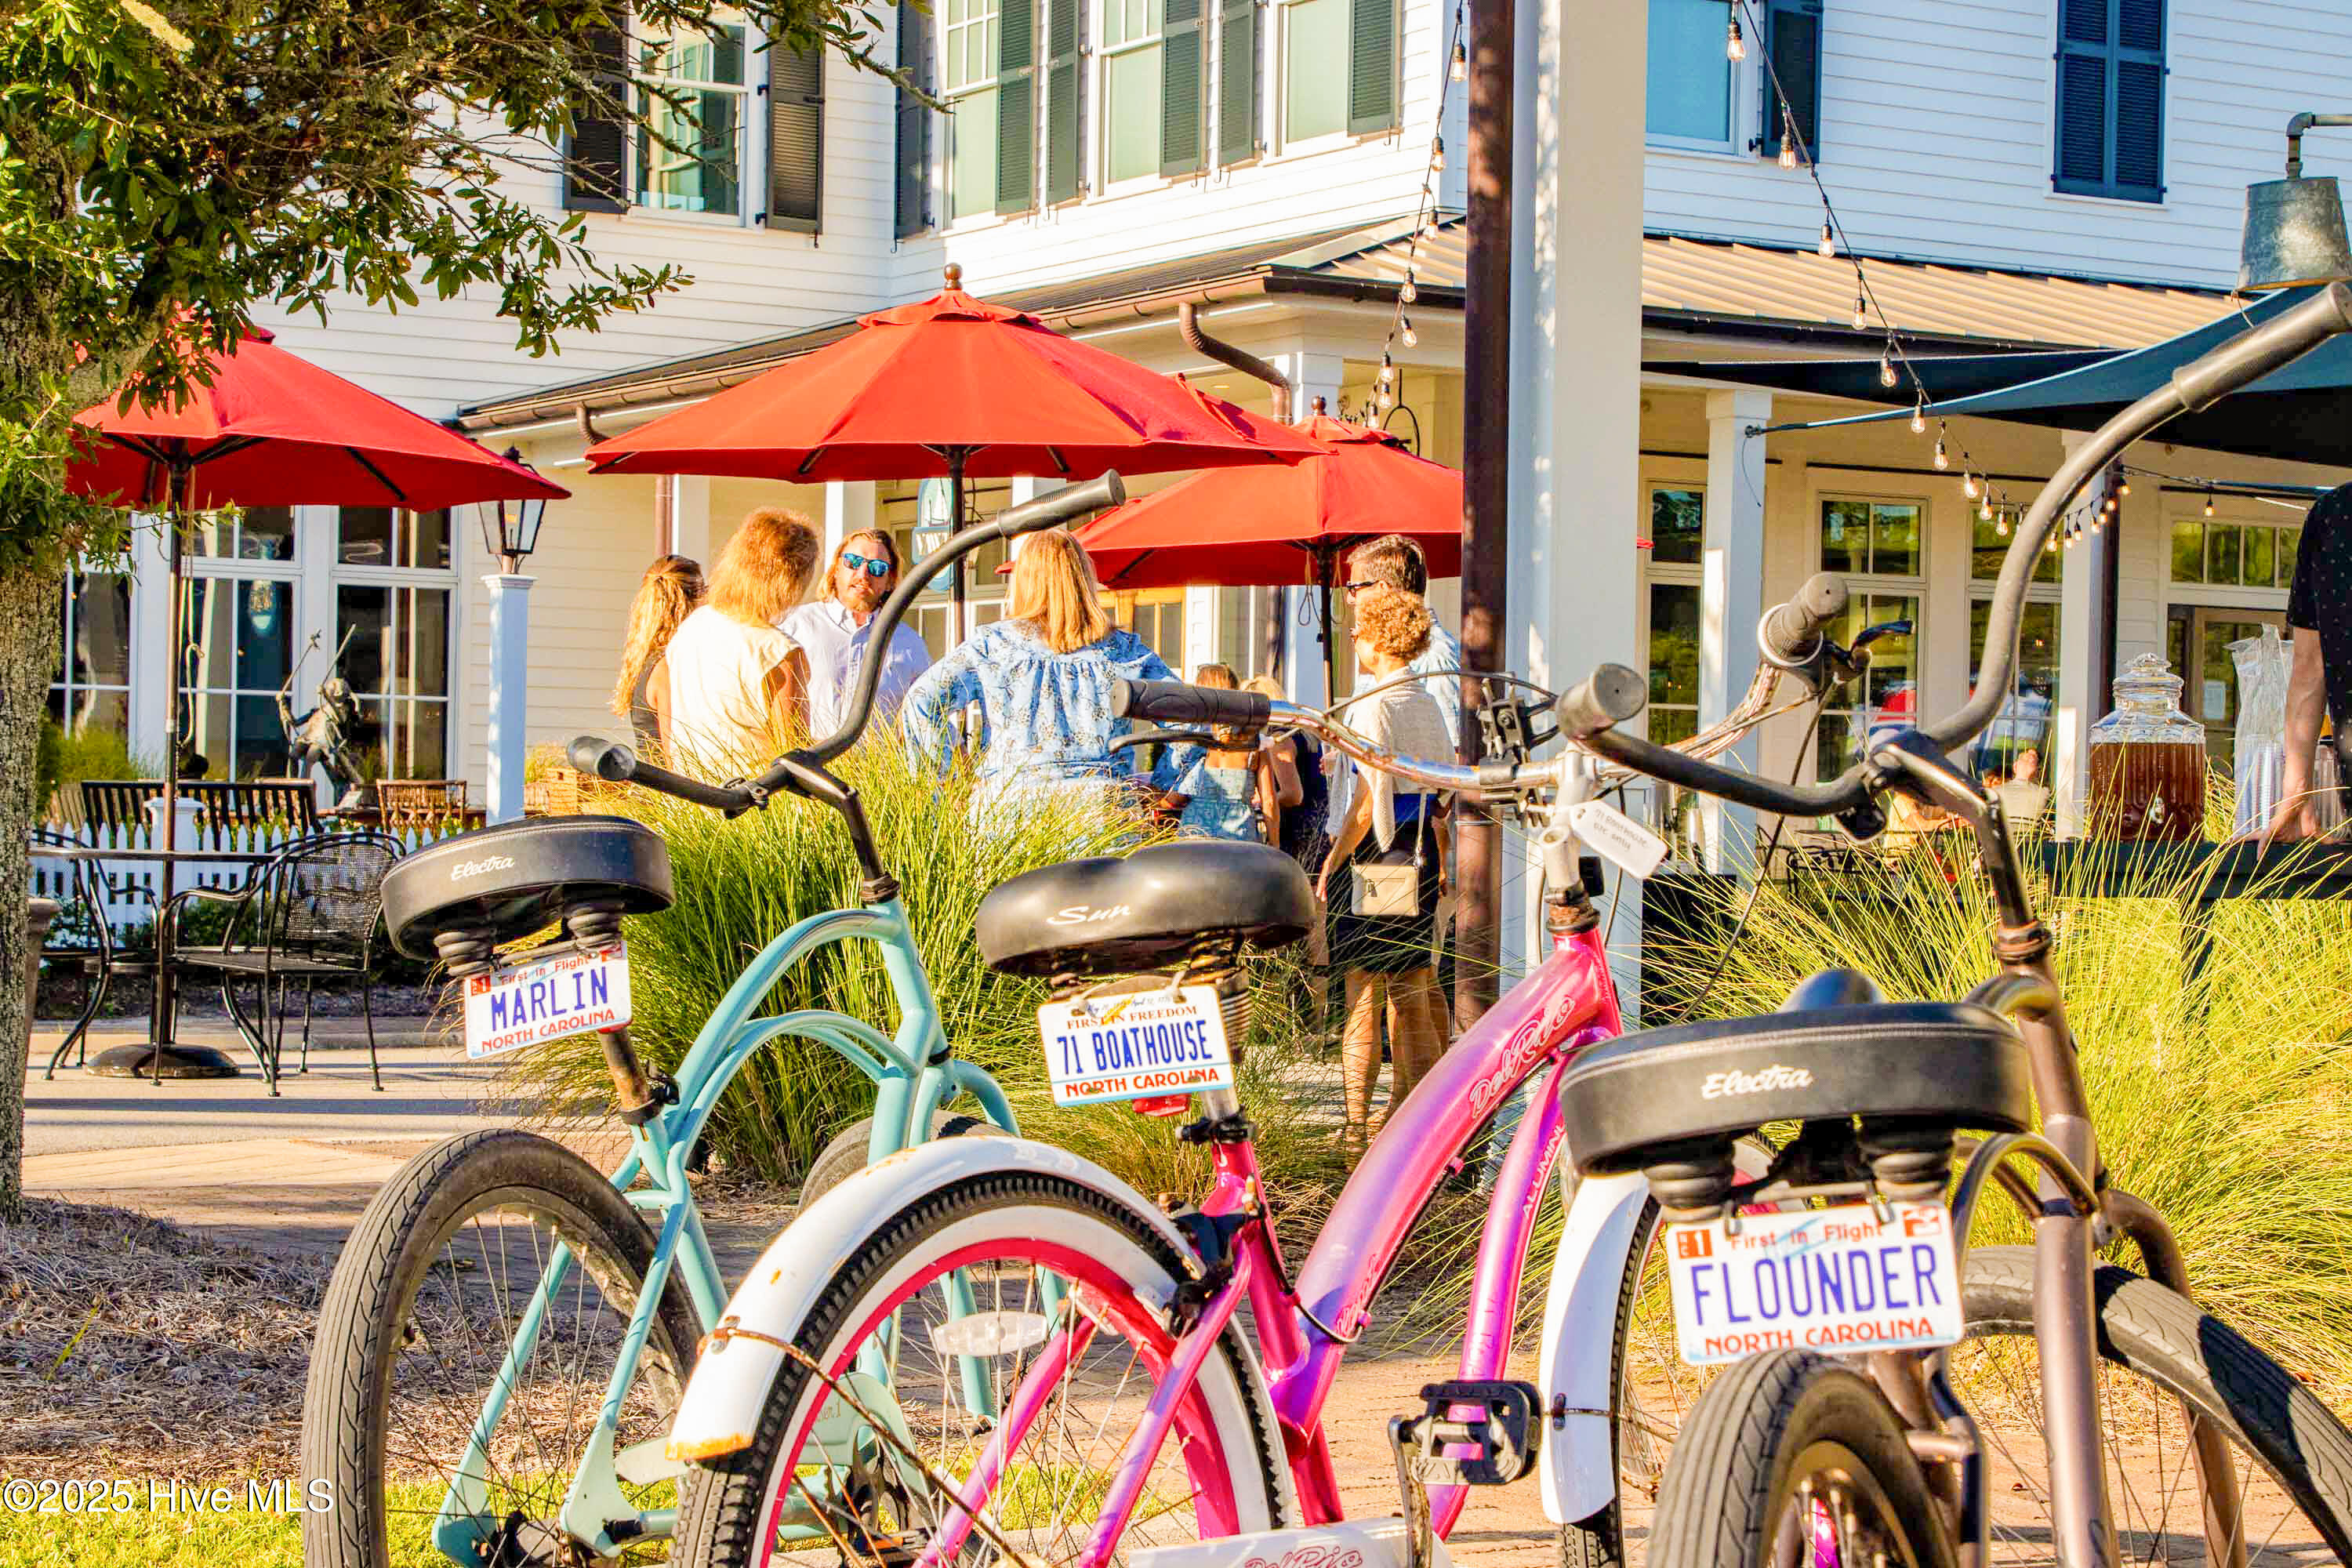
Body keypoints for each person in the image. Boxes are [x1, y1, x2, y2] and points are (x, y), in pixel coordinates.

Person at [903, 528, 1175, 820]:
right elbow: (1192, 718)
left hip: (1010, 813)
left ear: (1024, 580)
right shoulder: (1123, 650)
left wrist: (952, 779)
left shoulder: (993, 646)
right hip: (1102, 813)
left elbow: (921, 701)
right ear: (1084, 579)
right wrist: (1166, 788)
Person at [1317, 586, 1454, 1149]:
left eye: (1358, 630)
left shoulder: (1375, 704)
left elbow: (1367, 800)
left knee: (1363, 993)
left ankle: (1355, 1124)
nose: (1352, 637)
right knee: (1413, 987)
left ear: (1378, 639)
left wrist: (1333, 860)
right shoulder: (1424, 701)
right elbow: (1444, 788)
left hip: (1379, 854)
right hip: (1420, 851)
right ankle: (1415, 1120)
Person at [659, 509, 820, 774]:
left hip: (690, 787)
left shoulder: (693, 625)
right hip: (751, 792)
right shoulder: (778, 652)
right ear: (791, 580)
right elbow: (794, 756)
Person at [782, 528, 934, 739]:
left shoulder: (909, 645)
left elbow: (931, 719)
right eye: (853, 562)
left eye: (877, 568)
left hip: (877, 761)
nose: (863, 575)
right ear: (836, 569)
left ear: (890, 580)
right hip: (805, 759)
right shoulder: (796, 627)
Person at [2270, 482, 2352, 843]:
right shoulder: (2330, 515)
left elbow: (2309, 667)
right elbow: (2310, 665)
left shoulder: (2332, 514)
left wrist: (2297, 793)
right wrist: (2296, 796)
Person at [1155, 664, 1301, 841]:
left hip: (1196, 837)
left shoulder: (1197, 741)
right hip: (1239, 838)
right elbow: (1269, 801)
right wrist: (1274, 843)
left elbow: (1178, 796)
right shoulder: (1254, 742)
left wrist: (1157, 803)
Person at [611, 554, 703, 751]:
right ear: (689, 602)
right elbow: (674, 753)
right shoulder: (666, 667)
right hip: (661, 772)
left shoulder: (647, 660)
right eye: (705, 590)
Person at [1244, 673, 1323, 863]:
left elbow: (1293, 794)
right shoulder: (1303, 732)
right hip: (1318, 824)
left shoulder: (1279, 740)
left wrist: (1262, 801)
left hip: (1298, 833)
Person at [1994, 747, 2051, 827]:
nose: (2029, 758)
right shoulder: (2045, 793)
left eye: (2032, 760)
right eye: (2025, 759)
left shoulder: (1996, 791)